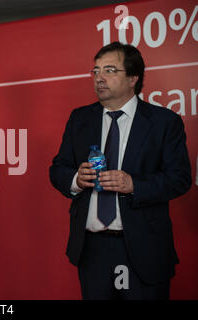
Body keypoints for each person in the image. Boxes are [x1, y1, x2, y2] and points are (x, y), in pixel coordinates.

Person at [49, 42, 191, 300]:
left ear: (133, 78)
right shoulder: (80, 119)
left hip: (143, 249)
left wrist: (134, 184)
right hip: (92, 250)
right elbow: (57, 169)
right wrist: (76, 180)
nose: (99, 78)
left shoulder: (163, 123)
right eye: (95, 71)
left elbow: (179, 179)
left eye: (110, 70)